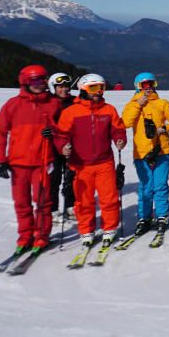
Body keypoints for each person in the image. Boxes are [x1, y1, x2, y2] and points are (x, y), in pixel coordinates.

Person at [0, 65, 61, 255]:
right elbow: (0, 132)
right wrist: (1, 160)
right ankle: (25, 236)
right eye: (35, 81)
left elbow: (63, 130)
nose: (40, 84)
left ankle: (41, 236)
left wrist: (53, 131)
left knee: (42, 202)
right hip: (18, 163)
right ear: (25, 82)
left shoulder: (53, 103)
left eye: (43, 80)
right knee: (21, 202)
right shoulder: (12, 105)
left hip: (42, 162)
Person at [54, 73, 127, 247]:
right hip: (80, 165)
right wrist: (63, 146)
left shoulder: (109, 109)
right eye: (94, 88)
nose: (99, 91)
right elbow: (61, 135)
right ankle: (86, 230)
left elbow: (118, 129)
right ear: (83, 89)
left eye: (101, 87)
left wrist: (120, 139)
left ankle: (110, 228)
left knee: (109, 198)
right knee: (83, 201)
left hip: (104, 162)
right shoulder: (71, 112)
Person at [122, 72, 169, 237]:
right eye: (144, 85)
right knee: (146, 187)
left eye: (151, 84)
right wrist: (137, 104)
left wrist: (164, 128)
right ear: (137, 87)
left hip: (162, 151)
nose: (148, 88)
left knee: (160, 185)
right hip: (141, 153)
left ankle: (162, 215)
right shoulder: (132, 105)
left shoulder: (162, 103)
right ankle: (144, 217)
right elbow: (125, 122)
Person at [47, 72, 76, 222]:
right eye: (60, 87)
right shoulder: (47, 102)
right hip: (52, 146)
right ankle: (53, 209)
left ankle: (70, 205)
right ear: (53, 87)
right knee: (54, 178)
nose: (64, 89)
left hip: (71, 145)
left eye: (66, 86)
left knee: (71, 176)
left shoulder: (74, 102)